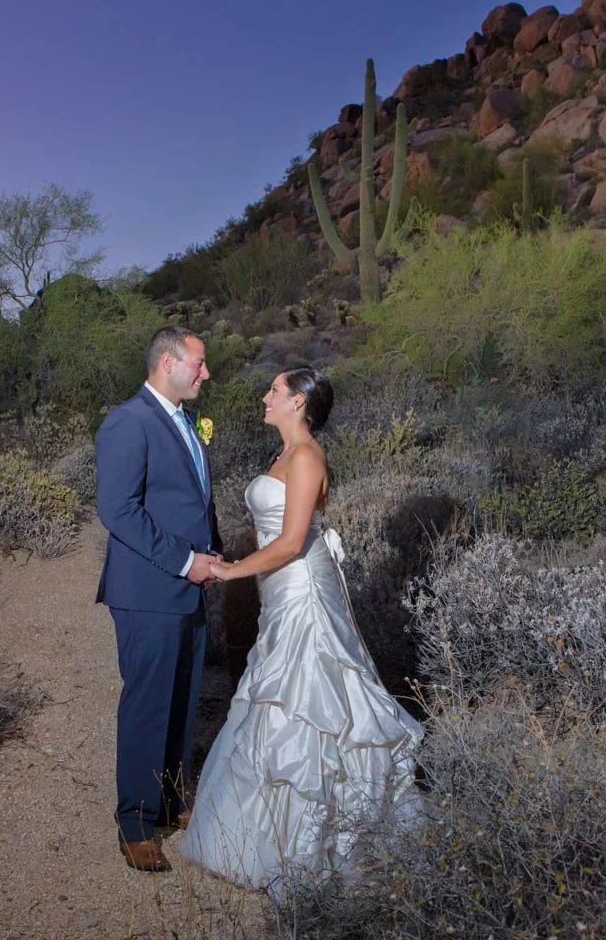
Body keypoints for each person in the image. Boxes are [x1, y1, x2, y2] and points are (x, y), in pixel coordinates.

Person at [175, 366, 423, 894]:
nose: (265, 397)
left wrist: (229, 572)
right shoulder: (283, 454)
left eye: (274, 390)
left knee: (309, 691)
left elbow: (290, 543)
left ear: (298, 403)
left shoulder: (307, 456)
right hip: (279, 590)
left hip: (303, 589)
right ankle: (265, 829)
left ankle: (321, 838)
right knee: (276, 690)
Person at [94, 326, 223, 872]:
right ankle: (136, 823)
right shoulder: (129, 422)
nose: (206, 373)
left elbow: (192, 501)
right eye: (198, 363)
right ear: (168, 362)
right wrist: (186, 561)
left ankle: (171, 799)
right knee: (148, 704)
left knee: (183, 700)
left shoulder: (184, 421)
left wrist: (210, 555)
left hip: (189, 587)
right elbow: (118, 510)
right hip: (149, 590)